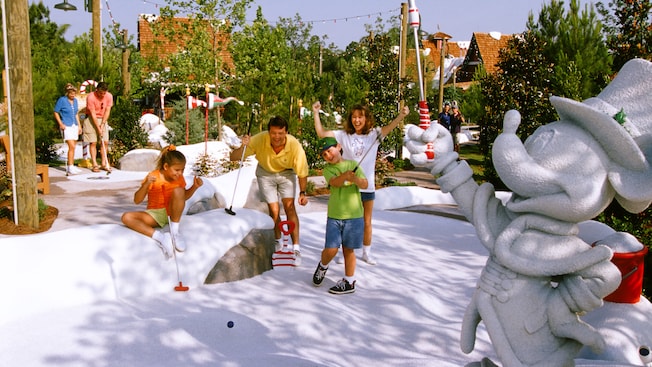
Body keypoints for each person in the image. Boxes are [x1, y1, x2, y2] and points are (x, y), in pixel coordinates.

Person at [313, 101, 409, 265]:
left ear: (366, 118)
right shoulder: (344, 135)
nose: (357, 120)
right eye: (354, 117)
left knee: (366, 221)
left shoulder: (374, 135)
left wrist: (401, 115)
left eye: (360, 117)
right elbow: (322, 133)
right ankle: (340, 251)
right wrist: (315, 113)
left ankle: (366, 252)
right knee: (345, 220)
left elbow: (390, 127)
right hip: (349, 186)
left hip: (366, 184)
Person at [230, 116, 309, 265]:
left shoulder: (294, 145)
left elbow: (302, 171)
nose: (277, 137)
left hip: (286, 173)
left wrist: (303, 193)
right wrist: (243, 146)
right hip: (265, 173)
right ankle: (277, 242)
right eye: (273, 133)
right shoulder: (259, 139)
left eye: (280, 133)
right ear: (268, 132)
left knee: (290, 207)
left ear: (286, 132)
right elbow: (233, 157)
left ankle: (296, 248)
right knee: (274, 211)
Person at [121, 146, 203, 259]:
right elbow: (137, 200)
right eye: (177, 170)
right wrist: (146, 185)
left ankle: (175, 233)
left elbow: (182, 197)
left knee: (179, 190)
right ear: (166, 166)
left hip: (173, 213)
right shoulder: (153, 176)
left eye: (182, 170)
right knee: (126, 217)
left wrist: (194, 187)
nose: (180, 173)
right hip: (155, 215)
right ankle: (161, 238)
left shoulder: (179, 178)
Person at [312, 137, 368, 294]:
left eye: (329, 151)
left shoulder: (352, 165)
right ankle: (323, 266)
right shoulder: (327, 170)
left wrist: (354, 178)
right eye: (324, 154)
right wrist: (346, 176)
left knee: (348, 250)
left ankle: (349, 282)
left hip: (354, 216)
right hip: (335, 216)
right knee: (331, 249)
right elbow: (335, 182)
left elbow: (365, 184)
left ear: (338, 147)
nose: (328, 155)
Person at [84, 81, 113, 172]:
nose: (102, 95)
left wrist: (103, 124)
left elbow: (107, 111)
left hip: (103, 118)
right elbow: (92, 114)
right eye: (101, 93)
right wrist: (98, 127)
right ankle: (95, 164)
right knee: (93, 142)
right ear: (97, 90)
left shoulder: (109, 96)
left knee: (105, 142)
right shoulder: (91, 97)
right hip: (91, 119)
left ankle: (104, 163)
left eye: (104, 93)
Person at [54, 83, 82, 176]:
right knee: (71, 146)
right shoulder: (62, 100)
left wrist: (79, 126)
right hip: (66, 125)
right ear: (67, 93)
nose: (72, 95)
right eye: (71, 93)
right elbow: (56, 112)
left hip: (74, 125)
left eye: (74, 93)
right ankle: (69, 166)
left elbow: (76, 113)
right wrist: (60, 123)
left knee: (74, 145)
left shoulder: (75, 101)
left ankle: (72, 165)